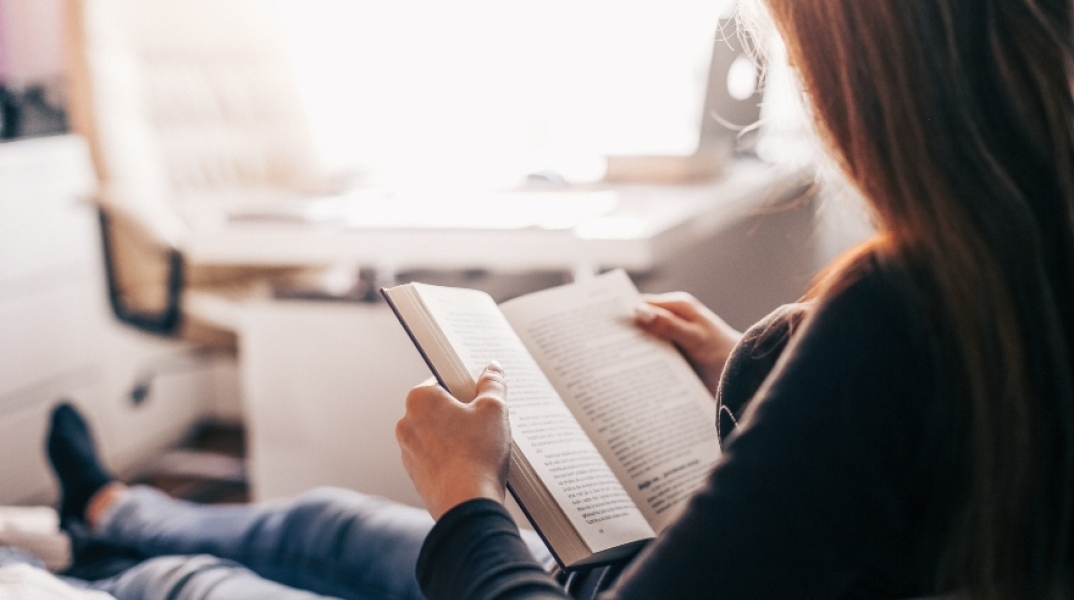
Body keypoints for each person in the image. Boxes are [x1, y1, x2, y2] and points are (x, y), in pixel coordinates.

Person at [394, 0, 1074, 599]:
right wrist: (782, 384)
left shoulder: (899, 310)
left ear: (861, 74)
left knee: (312, 530)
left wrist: (466, 498)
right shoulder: (1019, 261)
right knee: (307, 524)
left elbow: (883, 407)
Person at [0, 403, 550, 600]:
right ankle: (108, 509)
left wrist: (467, 494)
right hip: (594, 575)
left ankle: (81, 568)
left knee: (186, 586)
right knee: (329, 522)